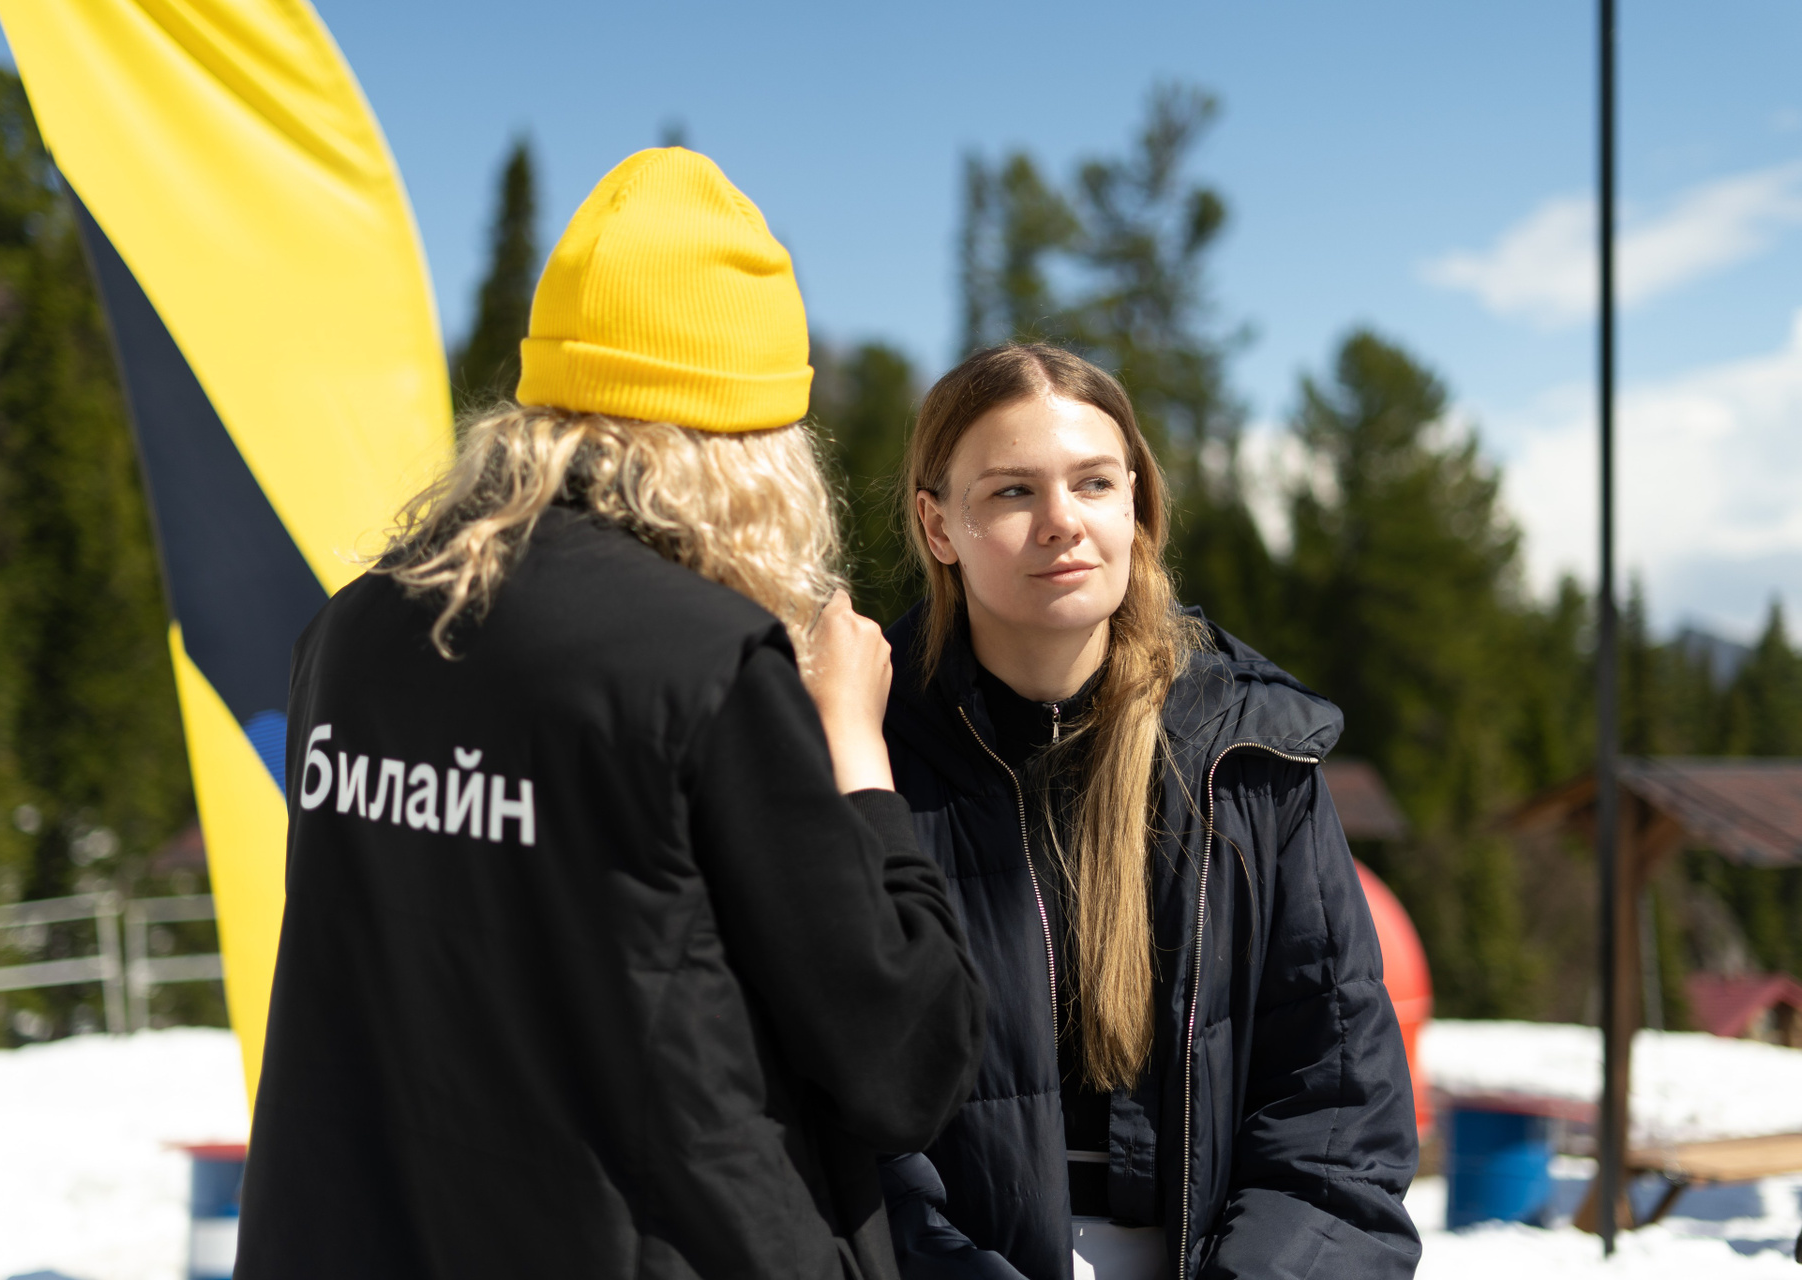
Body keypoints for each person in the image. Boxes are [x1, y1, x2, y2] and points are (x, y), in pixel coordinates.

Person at [234, 148, 986, 1280]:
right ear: (751, 448)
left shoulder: (354, 633)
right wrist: (854, 748)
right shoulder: (704, 663)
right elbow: (902, 1056)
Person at [875, 344, 1420, 1280]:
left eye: (1094, 483)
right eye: (1012, 492)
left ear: (1136, 502)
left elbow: (1338, 1121)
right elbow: (826, 1118)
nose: (1062, 522)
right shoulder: (859, 745)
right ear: (938, 525)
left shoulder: (1251, 757)